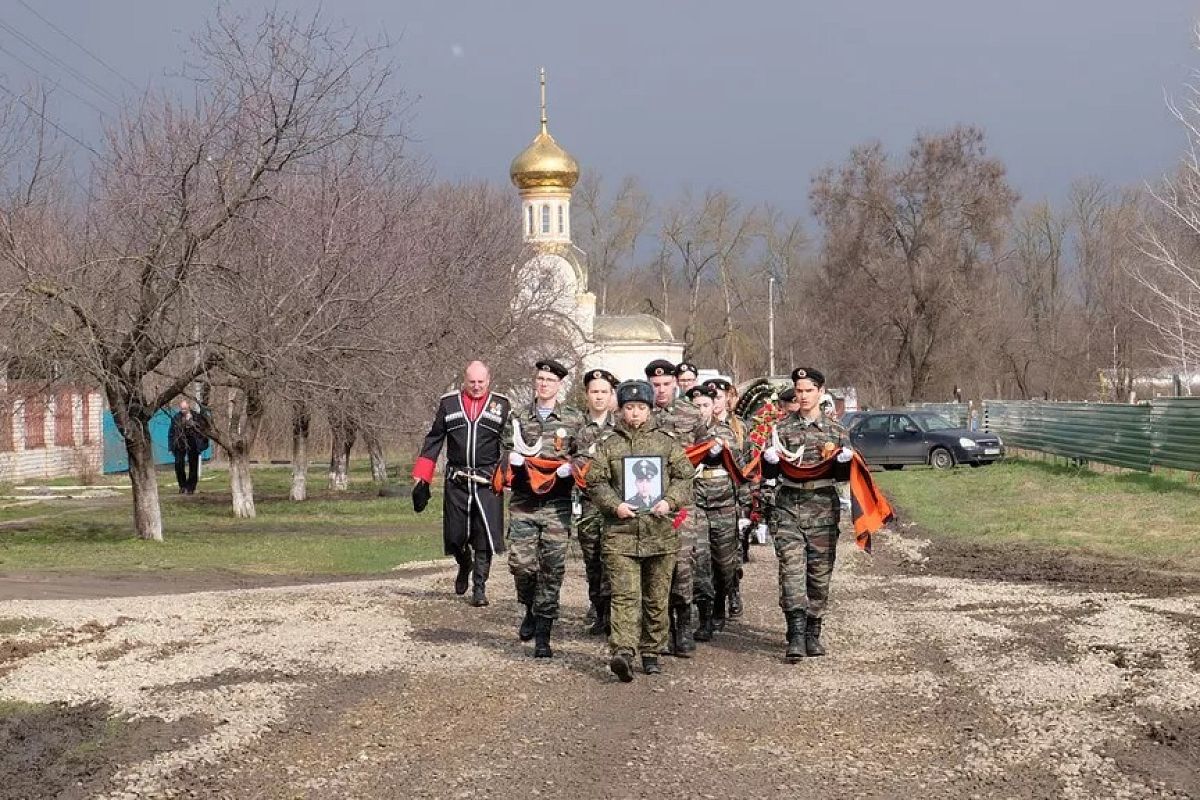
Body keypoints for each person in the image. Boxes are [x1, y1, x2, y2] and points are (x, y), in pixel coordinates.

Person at [586, 379, 693, 681]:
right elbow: (595, 481)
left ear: (649, 410)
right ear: (620, 410)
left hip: (659, 532)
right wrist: (614, 505)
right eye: (629, 407)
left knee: (657, 597)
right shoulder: (609, 445)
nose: (634, 413)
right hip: (621, 533)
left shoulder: (667, 443)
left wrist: (669, 502)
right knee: (624, 595)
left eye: (640, 407)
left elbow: (685, 477)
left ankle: (652, 651)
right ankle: (623, 651)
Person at [761, 367, 853, 661]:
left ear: (820, 392)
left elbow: (844, 477)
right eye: (798, 391)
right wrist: (770, 462)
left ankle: (813, 631)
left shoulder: (836, 431)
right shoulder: (781, 430)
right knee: (791, 572)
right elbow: (769, 475)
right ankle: (796, 634)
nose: (802, 396)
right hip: (789, 507)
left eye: (808, 391)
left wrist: (843, 462)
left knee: (819, 575)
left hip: (823, 511)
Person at [411, 361, 511, 607]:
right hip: (457, 480)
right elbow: (434, 439)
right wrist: (422, 477)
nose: (476, 387)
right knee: (455, 537)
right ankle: (463, 563)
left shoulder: (502, 405)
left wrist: (506, 472)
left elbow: (510, 444)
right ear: (464, 381)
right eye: (472, 382)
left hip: (488, 481)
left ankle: (480, 588)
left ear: (489, 380)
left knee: (484, 536)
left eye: (481, 382)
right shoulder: (449, 404)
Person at [505, 359, 584, 658]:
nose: (543, 384)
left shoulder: (573, 419)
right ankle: (529, 606)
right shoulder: (519, 416)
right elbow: (504, 447)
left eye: (549, 381)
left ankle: (543, 633)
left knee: (552, 568)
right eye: (539, 379)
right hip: (525, 501)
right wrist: (510, 459)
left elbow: (587, 455)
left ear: (559, 384)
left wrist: (571, 468)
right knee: (521, 565)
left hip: (557, 503)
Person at [645, 358, 706, 657]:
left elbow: (705, 449)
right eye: (655, 385)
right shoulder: (640, 414)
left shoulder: (691, 414)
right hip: (649, 505)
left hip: (682, 505)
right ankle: (662, 627)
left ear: (675, 384)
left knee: (682, 563)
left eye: (666, 384)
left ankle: (684, 623)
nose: (661, 390)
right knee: (657, 564)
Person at [686, 384, 745, 642]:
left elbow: (741, 470)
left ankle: (721, 601)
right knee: (700, 560)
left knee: (724, 563)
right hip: (694, 502)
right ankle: (706, 615)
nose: (700, 411)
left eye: (705, 405)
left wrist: (744, 508)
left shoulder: (726, 433)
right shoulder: (685, 434)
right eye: (696, 406)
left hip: (723, 503)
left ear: (713, 407)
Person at [574, 368, 618, 636]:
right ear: (586, 394)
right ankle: (598, 609)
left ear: (611, 394)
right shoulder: (575, 427)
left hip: (615, 505)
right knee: (592, 560)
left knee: (613, 559)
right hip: (589, 504)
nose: (599, 397)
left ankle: (615, 615)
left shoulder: (621, 426)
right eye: (594, 392)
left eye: (604, 391)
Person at [168, 399, 208, 495]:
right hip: (180, 442)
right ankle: (182, 485)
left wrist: (202, 444)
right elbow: (171, 433)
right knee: (178, 464)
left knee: (193, 465)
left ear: (189, 407)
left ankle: (191, 487)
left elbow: (203, 430)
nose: (183, 411)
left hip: (193, 441)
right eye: (181, 409)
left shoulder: (196, 416)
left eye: (185, 409)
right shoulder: (176, 417)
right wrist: (170, 447)